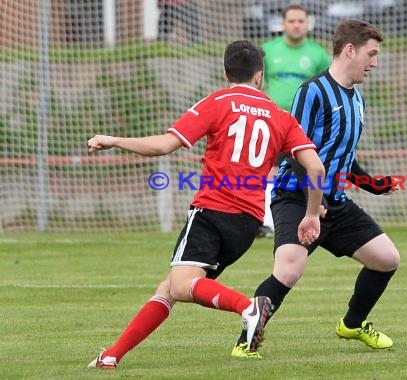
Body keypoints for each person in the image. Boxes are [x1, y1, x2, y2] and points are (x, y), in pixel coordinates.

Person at [87, 40, 325, 369]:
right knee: (171, 287)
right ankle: (112, 356)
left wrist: (114, 140)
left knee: (182, 285)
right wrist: (311, 214)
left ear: (226, 71)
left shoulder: (218, 102)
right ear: (259, 75)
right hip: (247, 223)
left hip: (212, 212)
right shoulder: (280, 116)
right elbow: (315, 167)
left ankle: (249, 307)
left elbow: (164, 145)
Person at [231, 20, 400, 358]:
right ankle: (245, 342)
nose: (375, 62)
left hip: (334, 202)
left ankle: (352, 324)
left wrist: (373, 185)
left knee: (386, 259)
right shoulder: (313, 91)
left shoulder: (357, 100)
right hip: (296, 195)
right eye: (371, 53)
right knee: (290, 268)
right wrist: (313, 204)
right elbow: (295, 150)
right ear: (349, 50)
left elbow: (343, 158)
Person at [258, 4, 331, 238]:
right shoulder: (268, 51)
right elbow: (257, 82)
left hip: (305, 125)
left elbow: (326, 88)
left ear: (307, 24)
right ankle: (266, 222)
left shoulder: (318, 54)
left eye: (301, 21)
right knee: (271, 170)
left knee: (307, 169)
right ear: (283, 24)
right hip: (274, 122)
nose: (296, 25)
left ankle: (316, 213)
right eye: (292, 21)